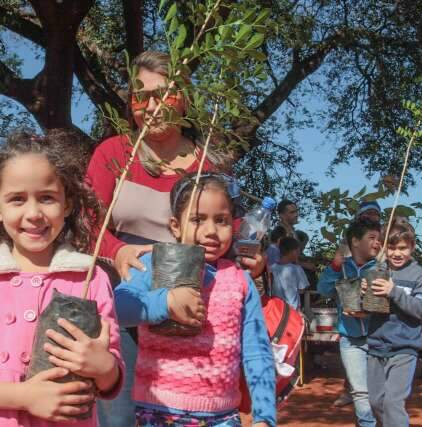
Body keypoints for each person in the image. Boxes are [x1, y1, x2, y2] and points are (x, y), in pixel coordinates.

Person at [86, 50, 264, 427]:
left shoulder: (209, 164)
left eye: (162, 94)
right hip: (127, 301)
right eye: (141, 96)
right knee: (118, 418)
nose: (151, 106)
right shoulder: (113, 153)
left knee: (185, 406)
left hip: (192, 308)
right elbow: (87, 226)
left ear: (183, 98)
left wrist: (252, 257)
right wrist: (117, 253)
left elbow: (230, 231)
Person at [0, 131, 124, 427]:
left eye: (47, 198)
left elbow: (110, 372)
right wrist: (24, 397)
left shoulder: (90, 278)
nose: (34, 213)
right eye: (17, 199)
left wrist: (104, 366)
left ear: (68, 204)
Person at [114, 173, 276, 427]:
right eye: (197, 219)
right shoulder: (153, 264)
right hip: (157, 414)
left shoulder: (241, 282)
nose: (211, 231)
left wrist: (264, 416)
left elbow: (257, 351)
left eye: (221, 220)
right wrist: (165, 302)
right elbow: (118, 307)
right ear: (175, 226)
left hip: (223, 418)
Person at [363, 224, 422, 426]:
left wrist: (394, 291)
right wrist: (364, 293)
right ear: (384, 248)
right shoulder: (377, 270)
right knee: (376, 401)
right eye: (392, 248)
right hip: (376, 346)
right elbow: (365, 309)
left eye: (402, 248)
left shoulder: (419, 275)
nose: (397, 253)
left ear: (412, 247)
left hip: (404, 347)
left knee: (393, 402)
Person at [317, 219, 381, 427]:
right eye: (371, 238)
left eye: (379, 238)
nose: (377, 243)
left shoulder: (381, 266)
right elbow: (323, 290)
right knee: (360, 392)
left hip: (379, 337)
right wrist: (335, 266)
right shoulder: (341, 267)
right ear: (355, 241)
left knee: (379, 392)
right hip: (350, 340)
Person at [271, 237, 310, 310]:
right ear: (293, 251)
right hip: (293, 310)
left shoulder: (271, 268)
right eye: (298, 251)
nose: (299, 254)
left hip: (276, 310)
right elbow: (302, 289)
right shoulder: (297, 269)